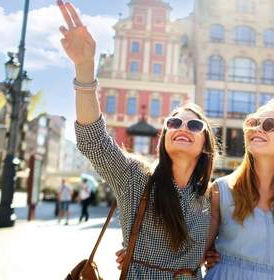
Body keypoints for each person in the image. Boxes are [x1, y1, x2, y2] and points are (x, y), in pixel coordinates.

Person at [58, 1, 218, 278]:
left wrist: (216, 255)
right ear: (164, 136)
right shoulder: (136, 178)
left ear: (206, 143)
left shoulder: (212, 196)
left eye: (194, 124)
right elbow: (93, 141)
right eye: (174, 122)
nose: (182, 126)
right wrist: (84, 68)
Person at [202, 100, 274, 279]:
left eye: (268, 124)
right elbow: (196, 254)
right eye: (252, 122)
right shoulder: (220, 190)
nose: (256, 128)